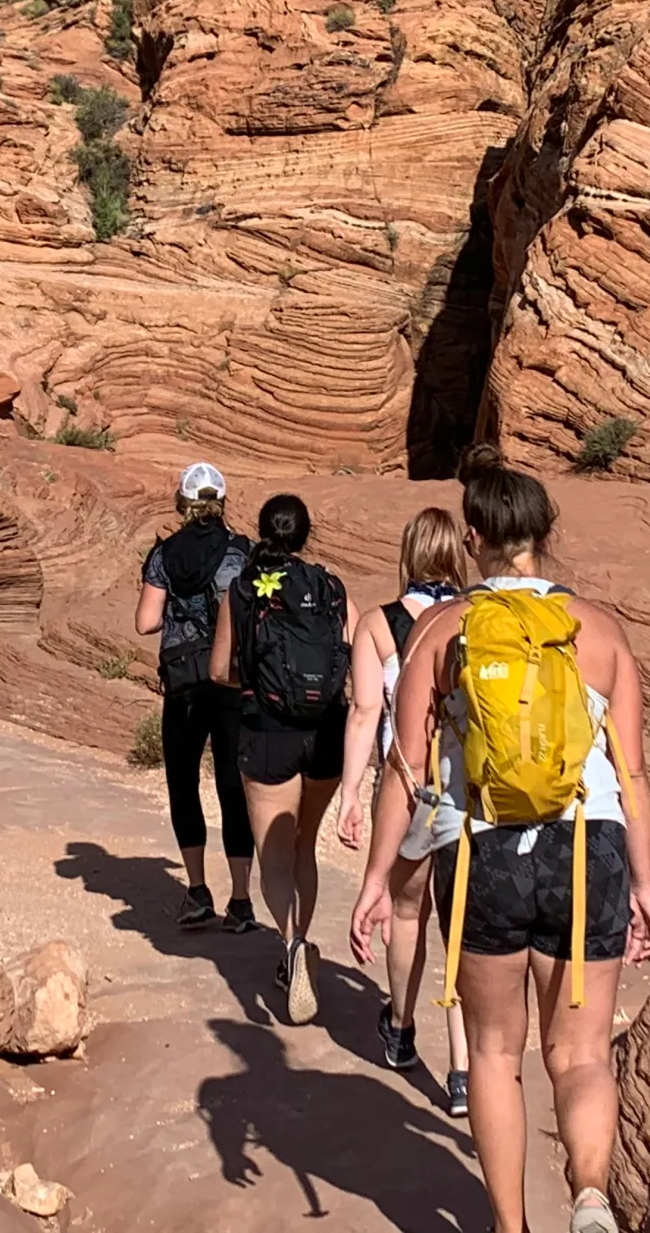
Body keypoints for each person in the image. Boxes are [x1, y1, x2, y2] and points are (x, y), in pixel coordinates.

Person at [350, 447, 650, 1233]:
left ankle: (511, 1227)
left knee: (494, 1051)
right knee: (582, 1054)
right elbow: (632, 778)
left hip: (481, 855)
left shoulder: (442, 632)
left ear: (474, 536)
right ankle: (590, 1196)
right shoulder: (599, 631)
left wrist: (378, 880)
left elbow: (406, 771)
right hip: (587, 851)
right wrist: (645, 885)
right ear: (545, 531)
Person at [338, 506, 474, 1116]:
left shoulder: (378, 623)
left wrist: (349, 795)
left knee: (406, 908)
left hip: (407, 785)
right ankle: (466, 1071)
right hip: (473, 790)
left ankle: (400, 1027)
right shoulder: (479, 617)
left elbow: (367, 714)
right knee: (465, 928)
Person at [210, 491, 353, 1024]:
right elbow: (353, 657)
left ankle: (291, 947)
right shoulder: (331, 587)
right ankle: (300, 945)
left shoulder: (242, 589)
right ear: (305, 534)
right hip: (326, 732)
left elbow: (219, 670)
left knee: (272, 853)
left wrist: (258, 682)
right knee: (303, 846)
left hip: (266, 731)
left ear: (262, 531)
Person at [135, 462, 261, 933]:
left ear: (183, 505)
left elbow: (146, 622)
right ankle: (242, 900)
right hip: (231, 680)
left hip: (186, 682)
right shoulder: (243, 552)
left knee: (184, 785)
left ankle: (197, 891)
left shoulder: (165, 555)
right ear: (222, 502)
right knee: (232, 786)